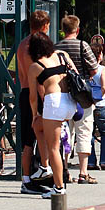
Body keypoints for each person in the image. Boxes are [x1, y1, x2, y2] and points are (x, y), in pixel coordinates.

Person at [27, 32, 81, 197]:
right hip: (70, 102)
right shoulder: (62, 55)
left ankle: (58, 187)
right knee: (39, 127)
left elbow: (33, 97)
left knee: (54, 148)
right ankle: (45, 167)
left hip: (54, 102)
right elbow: (76, 74)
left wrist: (34, 114)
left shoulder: (36, 66)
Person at [55, 14, 99, 185]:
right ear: (77, 29)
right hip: (82, 97)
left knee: (66, 133)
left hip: (63, 94)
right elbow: (94, 70)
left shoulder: (56, 47)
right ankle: (83, 172)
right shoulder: (83, 45)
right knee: (84, 132)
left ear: (63, 29)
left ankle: (64, 170)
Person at [16, 10, 52, 193]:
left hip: (23, 91)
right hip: (35, 93)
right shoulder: (34, 46)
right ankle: (39, 173)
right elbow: (37, 77)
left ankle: (26, 178)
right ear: (45, 25)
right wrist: (45, 97)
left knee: (27, 140)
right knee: (42, 135)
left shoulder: (22, 44)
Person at [88, 43, 105, 171]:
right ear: (99, 55)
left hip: (87, 104)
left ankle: (91, 161)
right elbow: (104, 87)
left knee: (89, 134)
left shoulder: (85, 68)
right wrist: (98, 97)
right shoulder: (101, 69)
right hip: (101, 105)